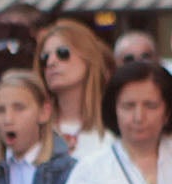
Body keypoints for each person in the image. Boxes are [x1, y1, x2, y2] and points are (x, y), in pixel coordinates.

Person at [37, 20, 114, 158]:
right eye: (44, 57)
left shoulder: (115, 125)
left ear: (88, 57)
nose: (51, 62)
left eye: (62, 53)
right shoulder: (34, 127)